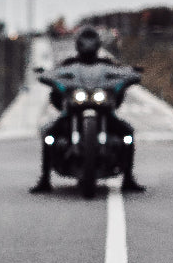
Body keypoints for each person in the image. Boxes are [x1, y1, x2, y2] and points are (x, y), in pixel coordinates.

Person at [30, 26, 145, 193]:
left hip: (105, 108)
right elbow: (53, 74)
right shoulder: (69, 64)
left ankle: (129, 179)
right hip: (71, 109)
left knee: (127, 133)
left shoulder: (107, 65)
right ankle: (44, 179)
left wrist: (131, 73)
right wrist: (46, 74)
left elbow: (124, 73)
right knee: (49, 134)